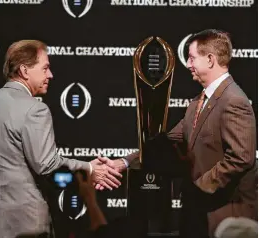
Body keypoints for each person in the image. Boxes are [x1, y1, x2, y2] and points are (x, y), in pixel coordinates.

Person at [96, 29, 257, 237]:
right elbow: (169, 142)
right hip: (197, 217)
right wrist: (122, 163)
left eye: (191, 58)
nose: (188, 64)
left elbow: (241, 157)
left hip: (226, 218)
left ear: (210, 60)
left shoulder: (234, 101)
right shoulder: (196, 104)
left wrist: (200, 187)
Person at [0, 40, 122, 238]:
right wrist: (90, 169)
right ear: (24, 71)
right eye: (45, 68)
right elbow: (46, 164)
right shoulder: (35, 109)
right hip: (25, 226)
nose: (50, 75)